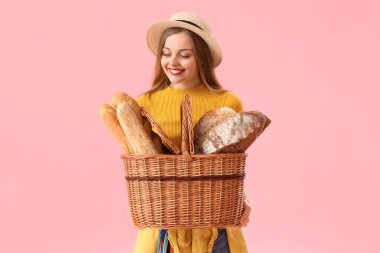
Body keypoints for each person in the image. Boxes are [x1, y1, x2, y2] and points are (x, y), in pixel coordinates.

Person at [133, 12, 251, 253]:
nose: (172, 62)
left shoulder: (227, 102)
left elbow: (230, 165)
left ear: (202, 59)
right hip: (163, 225)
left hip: (214, 224)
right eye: (166, 53)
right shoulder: (144, 104)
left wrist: (243, 200)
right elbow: (138, 165)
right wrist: (137, 201)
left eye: (184, 55)